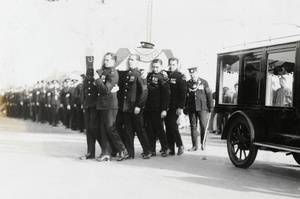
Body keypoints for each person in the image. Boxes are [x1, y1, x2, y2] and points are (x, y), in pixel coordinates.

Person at [95, 52, 128, 161]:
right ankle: (106, 153)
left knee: (110, 128)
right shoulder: (104, 71)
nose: (105, 61)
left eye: (108, 60)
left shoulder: (113, 73)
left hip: (110, 105)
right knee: (104, 129)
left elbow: (105, 89)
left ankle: (122, 149)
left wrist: (98, 80)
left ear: (113, 61)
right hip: (103, 104)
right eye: (105, 59)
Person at [118, 54, 152, 159]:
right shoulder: (128, 73)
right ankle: (130, 153)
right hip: (127, 107)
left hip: (135, 108)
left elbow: (144, 92)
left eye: (132, 60)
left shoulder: (139, 74)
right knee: (128, 131)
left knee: (140, 129)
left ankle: (147, 151)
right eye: (129, 59)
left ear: (137, 61)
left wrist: (139, 106)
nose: (130, 61)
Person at [144, 59, 171, 157]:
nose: (155, 69)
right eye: (153, 67)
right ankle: (152, 149)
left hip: (158, 108)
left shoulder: (162, 78)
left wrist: (164, 109)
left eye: (157, 67)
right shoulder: (149, 76)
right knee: (149, 129)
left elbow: (166, 95)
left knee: (159, 128)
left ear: (161, 67)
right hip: (149, 107)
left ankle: (166, 147)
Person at [186, 67, 213, 151]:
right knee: (193, 127)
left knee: (203, 126)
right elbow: (185, 96)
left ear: (197, 73)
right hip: (192, 107)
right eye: (190, 74)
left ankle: (203, 143)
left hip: (202, 107)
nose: (192, 75)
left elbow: (209, 94)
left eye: (193, 73)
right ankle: (194, 145)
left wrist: (211, 106)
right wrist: (185, 107)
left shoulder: (204, 82)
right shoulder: (188, 83)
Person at [80, 57, 101, 160]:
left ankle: (106, 148)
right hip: (88, 105)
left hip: (95, 106)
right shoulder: (86, 79)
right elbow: (84, 92)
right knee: (88, 129)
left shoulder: (97, 76)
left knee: (94, 127)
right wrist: (83, 104)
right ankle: (90, 153)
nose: (89, 66)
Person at [165, 58, 186, 155]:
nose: (172, 66)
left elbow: (183, 93)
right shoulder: (167, 75)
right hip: (167, 105)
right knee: (168, 126)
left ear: (177, 65)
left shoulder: (180, 77)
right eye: (170, 64)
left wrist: (180, 107)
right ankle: (171, 148)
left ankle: (180, 145)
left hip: (175, 105)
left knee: (173, 125)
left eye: (174, 64)